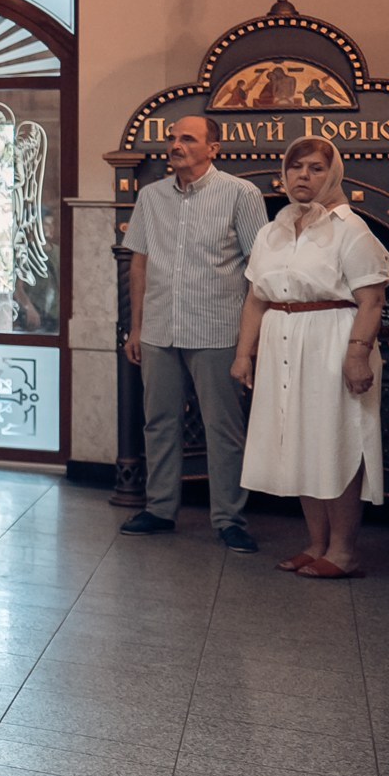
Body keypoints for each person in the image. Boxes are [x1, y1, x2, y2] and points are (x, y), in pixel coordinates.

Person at [231, 138, 388, 578]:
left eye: (316, 168)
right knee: (299, 443)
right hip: (282, 342)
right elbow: (256, 298)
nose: (303, 175)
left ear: (333, 174)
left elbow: (372, 300)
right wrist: (244, 354)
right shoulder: (272, 231)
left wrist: (357, 356)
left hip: (332, 342)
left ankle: (343, 551)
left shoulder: (351, 230)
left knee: (334, 442)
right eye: (296, 166)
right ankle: (317, 544)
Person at [121, 114, 269, 551]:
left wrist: (249, 341)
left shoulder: (241, 194)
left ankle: (229, 519)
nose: (176, 145)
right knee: (158, 423)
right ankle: (159, 509)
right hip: (159, 329)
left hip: (218, 330)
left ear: (213, 148)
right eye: (172, 138)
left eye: (187, 138)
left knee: (223, 428)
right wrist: (136, 328)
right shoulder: (151, 196)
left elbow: (258, 268)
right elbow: (139, 263)